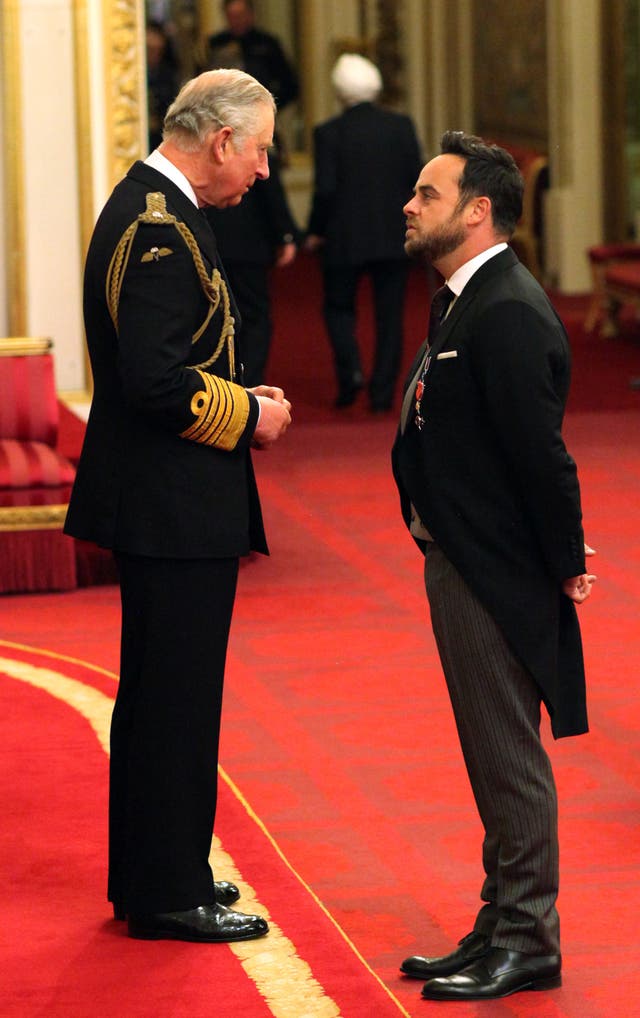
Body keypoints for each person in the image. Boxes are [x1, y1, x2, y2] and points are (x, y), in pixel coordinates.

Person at [64, 69, 292, 944]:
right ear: (223, 141)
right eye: (263, 151)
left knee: (169, 697)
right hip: (169, 506)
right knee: (175, 701)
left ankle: (165, 872)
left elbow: (178, 355)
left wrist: (238, 388)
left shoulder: (160, 210)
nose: (266, 171)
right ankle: (166, 891)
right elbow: (155, 381)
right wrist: (250, 419)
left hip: (170, 501)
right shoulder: (157, 226)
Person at [392, 131, 596, 1001]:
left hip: (494, 568)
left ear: (478, 211)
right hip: (464, 556)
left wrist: (562, 562)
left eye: (428, 194)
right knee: (488, 751)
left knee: (507, 757)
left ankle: (529, 938)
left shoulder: (506, 307)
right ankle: (497, 923)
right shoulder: (461, 299)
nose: (410, 203)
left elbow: (541, 455)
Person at [306, 53, 422, 411]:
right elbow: (416, 179)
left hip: (344, 237)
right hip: (393, 235)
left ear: (339, 92)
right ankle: (382, 393)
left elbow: (325, 189)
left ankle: (351, 373)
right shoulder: (401, 126)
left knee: (338, 308)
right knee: (390, 316)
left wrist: (315, 231)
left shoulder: (328, 133)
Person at [205, 151, 300, 386]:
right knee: (254, 316)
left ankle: (226, 382)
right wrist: (285, 235)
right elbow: (271, 192)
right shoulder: (252, 142)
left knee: (215, 315)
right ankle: (249, 382)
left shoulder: (205, 144)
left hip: (211, 240)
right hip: (248, 243)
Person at [204, 0, 298, 113]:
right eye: (232, 16)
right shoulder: (216, 44)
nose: (236, 21)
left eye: (240, 16)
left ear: (250, 14)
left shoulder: (267, 43)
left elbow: (289, 86)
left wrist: (268, 106)